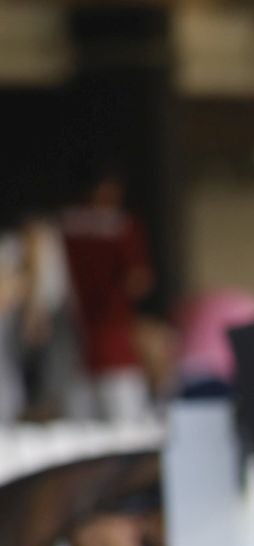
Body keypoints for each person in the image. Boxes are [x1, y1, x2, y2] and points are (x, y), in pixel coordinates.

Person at [60, 171, 153, 422]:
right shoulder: (121, 228)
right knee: (128, 429)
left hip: (72, 351)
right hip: (110, 346)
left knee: (81, 433)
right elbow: (138, 282)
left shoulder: (64, 228)